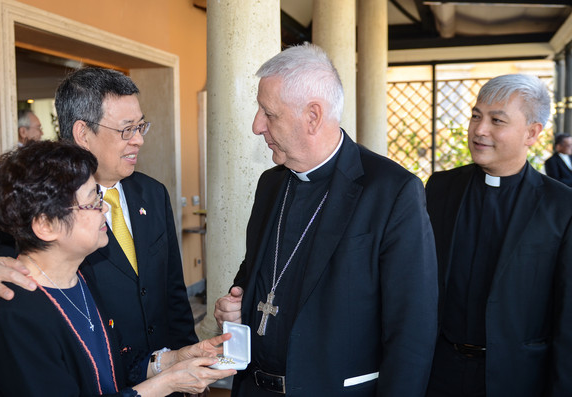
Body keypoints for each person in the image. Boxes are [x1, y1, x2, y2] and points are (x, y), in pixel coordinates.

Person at [214, 43, 438, 396]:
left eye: (268, 113)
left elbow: (412, 330)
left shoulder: (391, 191)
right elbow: (258, 275)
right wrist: (235, 310)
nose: (257, 126)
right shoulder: (271, 183)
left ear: (313, 116)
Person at [0, 68, 198, 389]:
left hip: (149, 370)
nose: (140, 138)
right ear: (83, 133)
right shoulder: (38, 206)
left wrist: (182, 357)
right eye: (127, 129)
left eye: (140, 126)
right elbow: (8, 278)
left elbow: (172, 289)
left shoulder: (153, 192)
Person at [0, 140, 236, 396]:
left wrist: (175, 359)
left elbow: (113, 369)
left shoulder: (79, 281)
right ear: (46, 225)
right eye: (92, 201)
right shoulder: (15, 318)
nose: (106, 207)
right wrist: (164, 384)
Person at [425, 74, 572, 397]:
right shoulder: (439, 188)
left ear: (532, 133)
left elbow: (567, 320)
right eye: (476, 116)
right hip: (439, 374)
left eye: (497, 120)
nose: (479, 130)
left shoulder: (561, 206)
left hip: (518, 379)